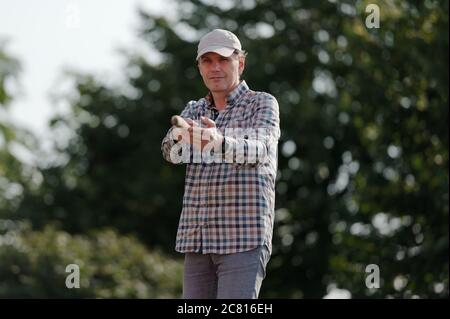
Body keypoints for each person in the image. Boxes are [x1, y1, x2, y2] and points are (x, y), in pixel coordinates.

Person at [161, 29, 280, 299]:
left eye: (223, 60)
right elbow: (169, 153)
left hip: (243, 238)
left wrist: (218, 142)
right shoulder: (194, 109)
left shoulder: (261, 104)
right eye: (207, 60)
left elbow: (258, 151)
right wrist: (179, 137)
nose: (215, 67)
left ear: (240, 63)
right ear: (200, 67)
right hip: (197, 239)